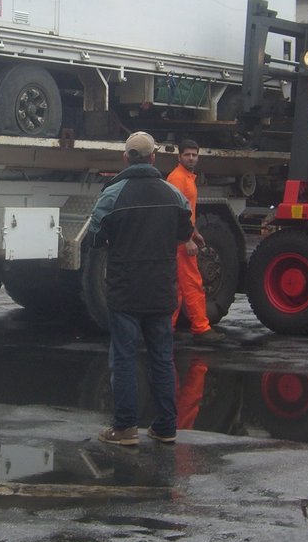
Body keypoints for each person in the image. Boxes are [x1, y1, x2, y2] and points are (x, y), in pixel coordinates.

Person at [89, 131, 194, 446]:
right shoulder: (173, 193)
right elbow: (185, 229)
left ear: (126, 158)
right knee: (162, 357)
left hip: (125, 289)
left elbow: (95, 236)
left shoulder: (112, 194)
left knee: (123, 357)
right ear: (153, 158)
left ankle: (125, 428)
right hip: (161, 288)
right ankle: (165, 427)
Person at [166, 139, 224, 344]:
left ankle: (167, 330)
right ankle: (201, 329)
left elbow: (187, 212)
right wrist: (186, 239)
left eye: (194, 154)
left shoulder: (186, 178)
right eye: (187, 154)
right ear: (179, 156)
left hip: (182, 239)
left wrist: (195, 232)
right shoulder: (177, 179)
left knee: (179, 288)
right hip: (181, 242)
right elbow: (174, 213)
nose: (191, 158)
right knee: (192, 284)